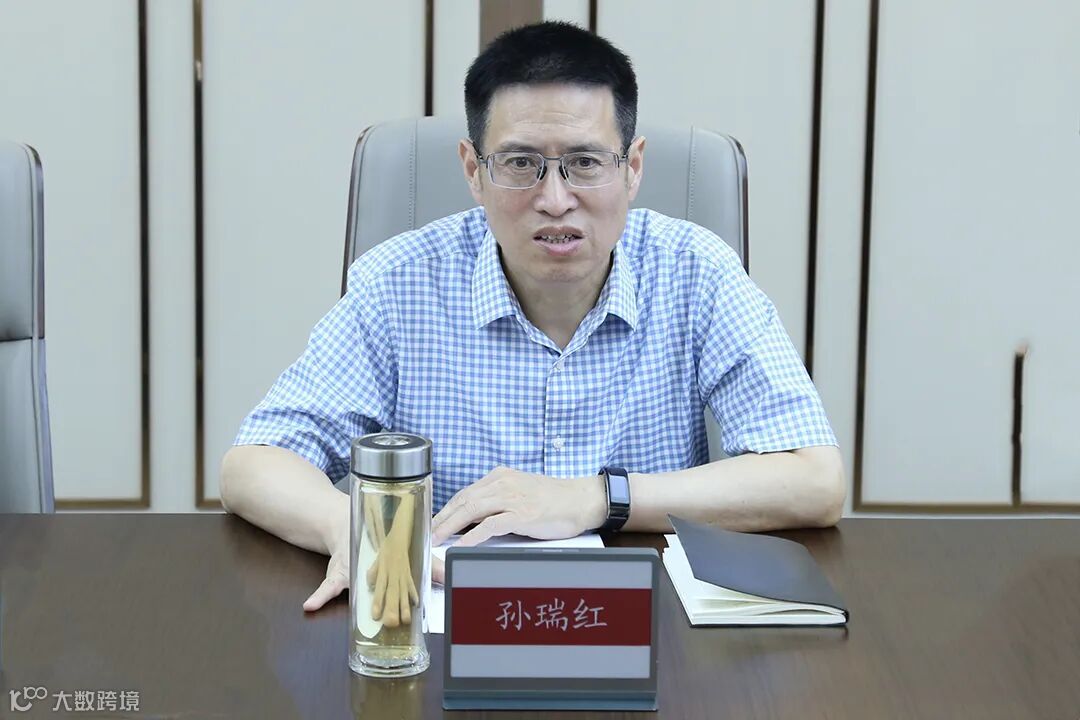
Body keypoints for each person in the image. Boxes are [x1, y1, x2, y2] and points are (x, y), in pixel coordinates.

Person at [219, 21, 844, 620]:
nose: (555, 199)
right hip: (444, 620)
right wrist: (354, 529)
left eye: (586, 162)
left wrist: (596, 497)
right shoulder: (398, 282)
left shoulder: (697, 272)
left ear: (632, 167)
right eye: (520, 164)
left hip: (642, 629)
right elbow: (253, 465)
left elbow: (815, 480)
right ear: (474, 171)